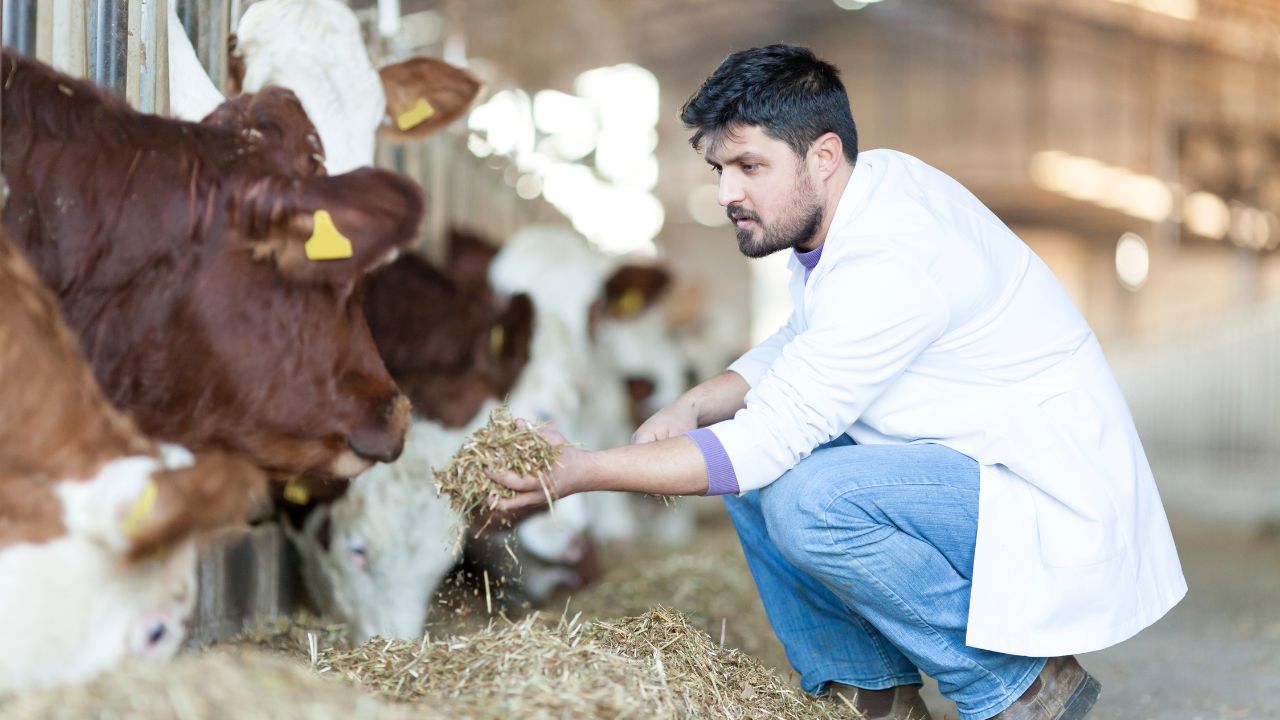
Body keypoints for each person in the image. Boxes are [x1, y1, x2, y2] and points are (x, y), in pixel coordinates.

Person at [492, 44, 1186, 720]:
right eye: (718, 168)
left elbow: (766, 441)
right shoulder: (861, 195)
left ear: (822, 155)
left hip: (1047, 494)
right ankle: (871, 695)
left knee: (808, 499)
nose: (726, 192)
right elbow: (805, 342)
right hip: (978, 471)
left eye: (748, 166)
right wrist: (694, 404)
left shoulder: (893, 251)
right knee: (765, 472)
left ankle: (1022, 690)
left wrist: (582, 469)